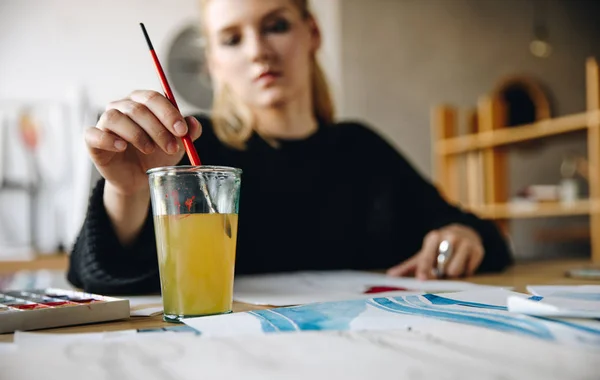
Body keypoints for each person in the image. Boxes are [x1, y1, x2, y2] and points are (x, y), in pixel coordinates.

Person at [67, 0, 513, 295]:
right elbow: (96, 278)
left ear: (312, 33)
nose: (259, 51)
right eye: (232, 39)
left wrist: (463, 236)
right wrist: (129, 192)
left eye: (276, 26)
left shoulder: (361, 149)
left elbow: (478, 234)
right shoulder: (187, 151)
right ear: (213, 65)